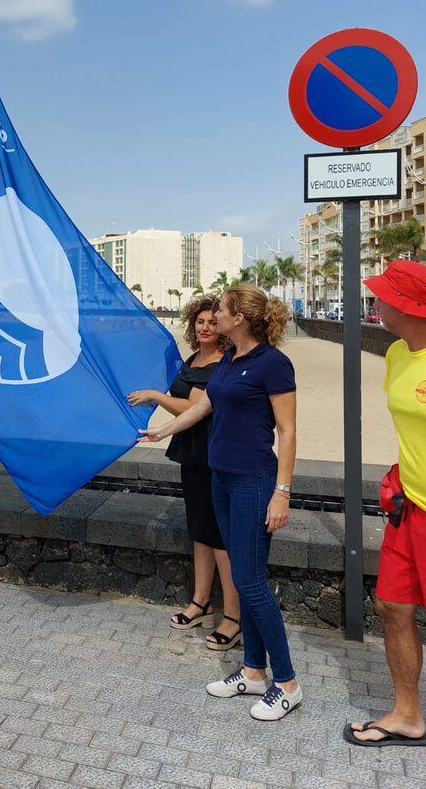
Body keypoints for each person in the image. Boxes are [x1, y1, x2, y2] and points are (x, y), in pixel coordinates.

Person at [140, 285, 301, 721]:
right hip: (221, 479)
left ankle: (286, 682)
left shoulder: (273, 363)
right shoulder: (229, 360)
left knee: (250, 582)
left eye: (222, 310)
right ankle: (252, 671)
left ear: (238, 319)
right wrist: (161, 432)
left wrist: (281, 492)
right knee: (244, 575)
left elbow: (287, 432)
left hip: (253, 481)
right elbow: (204, 405)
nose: (216, 314)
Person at [345, 260, 426, 749]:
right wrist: (401, 475)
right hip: (411, 508)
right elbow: (415, 430)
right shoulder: (399, 354)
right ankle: (407, 714)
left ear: (411, 306)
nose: (375, 303)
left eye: (382, 296)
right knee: (392, 606)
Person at [128, 295, 240, 650]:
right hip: (190, 453)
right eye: (200, 322)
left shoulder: (223, 362)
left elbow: (196, 407)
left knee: (221, 538)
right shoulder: (193, 358)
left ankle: (233, 617)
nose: (205, 327)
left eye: (211, 322)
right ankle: (201, 601)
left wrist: (155, 396)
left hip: (213, 454)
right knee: (200, 533)